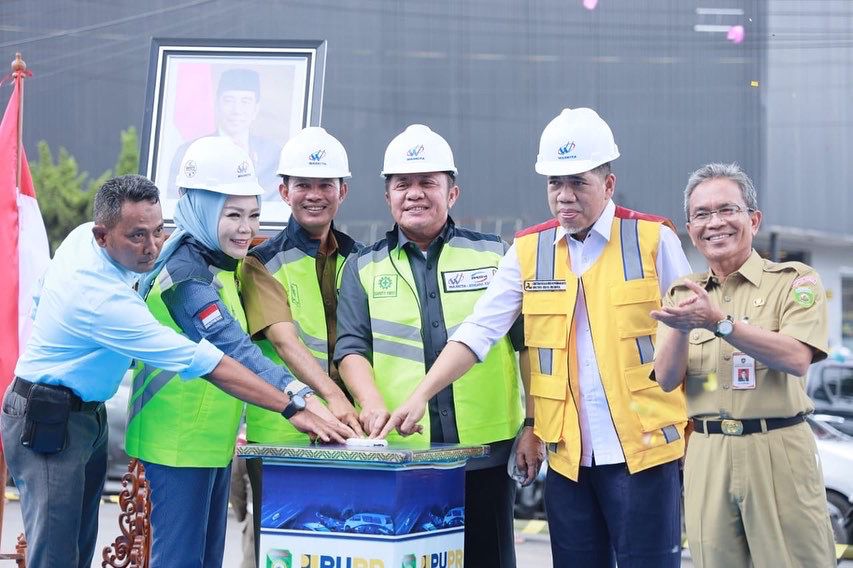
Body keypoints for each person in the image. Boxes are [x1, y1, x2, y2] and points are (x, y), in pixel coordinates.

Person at [381, 108, 692, 567]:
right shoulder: (529, 249)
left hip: (644, 453)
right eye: (554, 184)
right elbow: (479, 331)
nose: (564, 196)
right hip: (567, 458)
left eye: (577, 182)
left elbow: (695, 341)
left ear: (607, 184)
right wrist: (421, 395)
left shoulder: (652, 240)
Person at [0, 174, 335, 568]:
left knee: (80, 546)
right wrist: (292, 406)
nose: (153, 246)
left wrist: (58, 348)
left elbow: (41, 293)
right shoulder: (103, 301)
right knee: (55, 556)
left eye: (158, 230)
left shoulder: (80, 240)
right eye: (137, 236)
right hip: (48, 418)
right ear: (103, 235)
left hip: (89, 415)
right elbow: (208, 361)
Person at [124, 137, 353, 568]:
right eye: (232, 215)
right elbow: (234, 347)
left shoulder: (219, 264)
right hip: (175, 446)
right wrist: (297, 398)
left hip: (208, 444)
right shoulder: (186, 275)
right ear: (201, 210)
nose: (245, 228)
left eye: (251, 214)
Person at [334, 124, 525, 567]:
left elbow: (526, 344)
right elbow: (351, 348)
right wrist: (371, 401)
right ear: (388, 197)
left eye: (428, 183)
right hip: (404, 451)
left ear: (452, 193)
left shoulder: (495, 255)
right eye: (402, 184)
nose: (415, 194)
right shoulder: (363, 266)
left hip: (485, 451)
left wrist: (532, 422)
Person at [651, 162, 836, 567]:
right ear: (690, 228)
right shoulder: (684, 293)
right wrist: (683, 326)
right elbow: (666, 380)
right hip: (707, 450)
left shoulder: (794, 281)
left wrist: (719, 323)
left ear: (753, 219)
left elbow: (796, 358)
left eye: (726, 210)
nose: (714, 223)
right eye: (702, 215)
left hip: (778, 447)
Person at [238, 126, 364, 553]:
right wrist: (335, 399)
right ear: (283, 191)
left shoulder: (363, 258)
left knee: (346, 549)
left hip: (354, 433)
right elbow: (287, 344)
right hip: (284, 431)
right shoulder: (260, 262)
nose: (314, 194)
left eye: (324, 184)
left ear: (342, 191)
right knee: (283, 550)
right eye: (303, 185)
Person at [169, 68, 281, 201]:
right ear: (217, 104)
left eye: (245, 102)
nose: (237, 110)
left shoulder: (272, 154)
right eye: (229, 101)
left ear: (256, 109)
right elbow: (172, 198)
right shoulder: (188, 152)